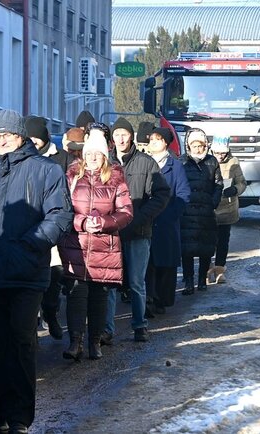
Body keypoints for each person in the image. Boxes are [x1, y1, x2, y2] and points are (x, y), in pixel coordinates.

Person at [0, 109, 73, 434]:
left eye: (8, 134)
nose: (2, 140)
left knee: (21, 342)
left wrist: (31, 243)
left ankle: (20, 418)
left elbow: (60, 215)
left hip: (27, 273)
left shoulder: (46, 170)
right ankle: (2, 415)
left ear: (21, 137)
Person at [58, 134, 132, 361]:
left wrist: (103, 223)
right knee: (76, 295)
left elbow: (126, 212)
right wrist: (81, 222)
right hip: (76, 246)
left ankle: (95, 342)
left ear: (104, 156)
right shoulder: (71, 177)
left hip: (104, 247)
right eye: (88, 153)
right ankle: (75, 342)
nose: (91, 158)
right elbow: (61, 210)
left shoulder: (116, 179)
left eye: (96, 154)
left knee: (99, 298)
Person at [107, 117, 170, 343]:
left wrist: (140, 217)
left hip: (138, 232)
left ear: (131, 136)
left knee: (136, 282)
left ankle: (140, 324)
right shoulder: (106, 162)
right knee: (110, 283)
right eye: (117, 134)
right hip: (111, 232)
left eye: (124, 134)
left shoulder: (146, 162)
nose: (120, 139)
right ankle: (107, 329)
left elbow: (162, 195)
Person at [25, 116, 75, 340]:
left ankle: (51, 312)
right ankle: (32, 323)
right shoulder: (23, 158)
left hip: (53, 223)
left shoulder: (61, 158)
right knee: (31, 277)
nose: (33, 141)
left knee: (55, 275)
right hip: (29, 224)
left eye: (36, 137)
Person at [145, 128, 190, 313]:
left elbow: (183, 194)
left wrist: (171, 215)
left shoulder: (175, 166)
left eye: (158, 139)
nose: (153, 142)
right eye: (151, 139)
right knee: (147, 263)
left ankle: (162, 301)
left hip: (166, 223)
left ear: (165, 142)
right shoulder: (144, 162)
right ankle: (147, 299)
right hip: (146, 221)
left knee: (165, 263)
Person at [179, 128, 223, 295]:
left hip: (206, 212)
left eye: (200, 145)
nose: (197, 149)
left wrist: (212, 203)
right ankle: (189, 281)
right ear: (189, 146)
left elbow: (218, 185)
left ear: (205, 146)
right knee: (187, 250)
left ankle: (202, 280)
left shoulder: (212, 161)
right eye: (194, 145)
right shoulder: (182, 161)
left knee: (205, 248)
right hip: (187, 212)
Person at [208, 136, 246, 284]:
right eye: (217, 153)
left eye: (223, 153)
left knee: (223, 241)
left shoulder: (233, 162)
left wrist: (235, 189)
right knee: (207, 241)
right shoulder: (206, 160)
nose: (220, 156)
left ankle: (219, 269)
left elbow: (242, 183)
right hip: (209, 207)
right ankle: (206, 269)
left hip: (227, 208)